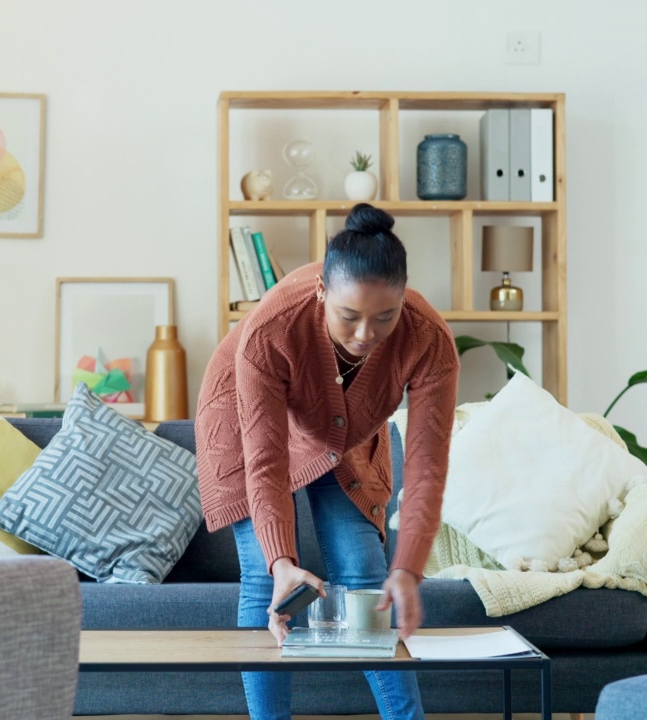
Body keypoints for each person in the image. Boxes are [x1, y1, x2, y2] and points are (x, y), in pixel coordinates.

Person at [196, 203, 459, 720]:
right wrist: (282, 563)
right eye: (349, 316)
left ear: (403, 300)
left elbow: (428, 466)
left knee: (365, 574)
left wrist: (408, 567)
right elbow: (267, 460)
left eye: (384, 317)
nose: (366, 334)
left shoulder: (428, 340)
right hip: (245, 418)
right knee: (262, 578)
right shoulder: (272, 328)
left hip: (344, 427)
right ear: (322, 292)